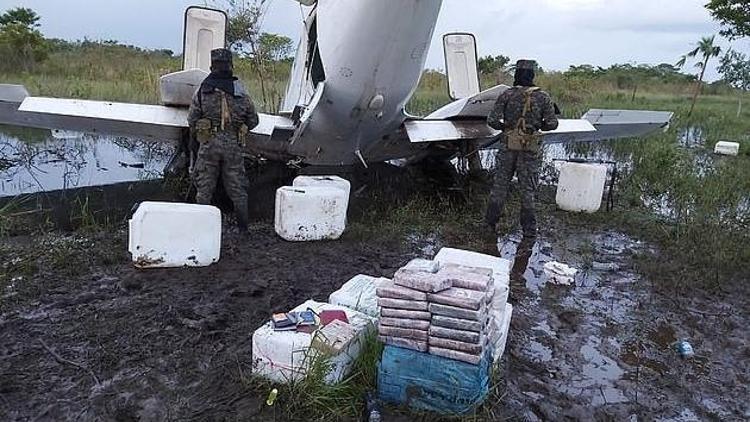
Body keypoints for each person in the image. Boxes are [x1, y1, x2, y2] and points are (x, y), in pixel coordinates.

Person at [485, 59, 559, 239]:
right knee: (527, 190)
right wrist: (536, 126)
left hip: (507, 146)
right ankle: (529, 231)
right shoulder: (543, 97)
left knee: (500, 187)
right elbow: (552, 124)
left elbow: (492, 121)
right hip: (529, 150)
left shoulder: (506, 95)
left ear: (516, 75)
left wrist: (507, 129)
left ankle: (489, 225)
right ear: (532, 75)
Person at [188, 48, 259, 230]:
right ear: (231, 66)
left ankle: (200, 229)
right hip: (233, 145)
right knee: (238, 189)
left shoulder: (203, 90)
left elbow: (192, 119)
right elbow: (253, 120)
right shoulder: (240, 91)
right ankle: (243, 230)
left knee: (204, 189)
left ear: (212, 66)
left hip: (209, 144)